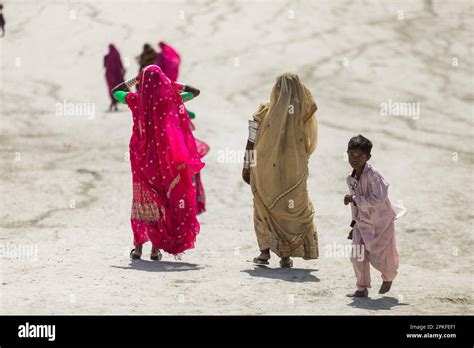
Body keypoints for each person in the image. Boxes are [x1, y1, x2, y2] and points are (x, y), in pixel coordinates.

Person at [112, 65, 203, 260]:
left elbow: (115, 91)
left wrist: (135, 80)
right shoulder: (169, 101)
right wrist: (171, 84)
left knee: (141, 198)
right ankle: (155, 248)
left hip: (140, 159)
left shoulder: (135, 101)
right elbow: (195, 92)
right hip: (162, 161)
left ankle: (137, 248)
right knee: (160, 198)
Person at [243, 73, 319, 268]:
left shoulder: (262, 112)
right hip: (293, 174)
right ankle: (285, 256)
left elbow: (251, 142)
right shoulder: (302, 114)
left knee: (263, 208)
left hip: (264, 172)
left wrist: (246, 165)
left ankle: (264, 253)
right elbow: (309, 142)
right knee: (289, 209)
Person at [344, 135, 406, 297]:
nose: (355, 159)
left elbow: (379, 198)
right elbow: (354, 206)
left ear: (368, 157)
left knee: (381, 255)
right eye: (351, 154)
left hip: (381, 221)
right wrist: (353, 225)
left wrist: (355, 199)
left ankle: (389, 276)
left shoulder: (374, 175)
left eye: (360, 156)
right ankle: (361, 288)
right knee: (357, 255)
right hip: (362, 222)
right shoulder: (350, 179)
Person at [104, 44, 126, 111]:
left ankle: (113, 103)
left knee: (111, 89)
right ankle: (114, 103)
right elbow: (120, 63)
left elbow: (104, 65)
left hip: (109, 76)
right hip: (116, 75)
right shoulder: (116, 55)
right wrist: (123, 70)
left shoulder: (106, 57)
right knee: (116, 89)